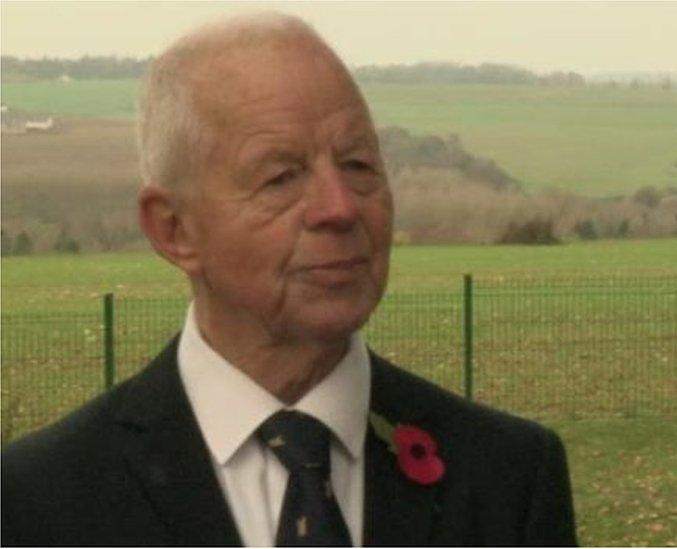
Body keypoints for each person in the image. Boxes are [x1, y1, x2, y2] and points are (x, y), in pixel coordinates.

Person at [1, 12, 577, 547]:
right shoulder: (36, 503)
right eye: (281, 177)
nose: (340, 208)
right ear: (174, 230)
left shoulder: (510, 478)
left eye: (358, 165)